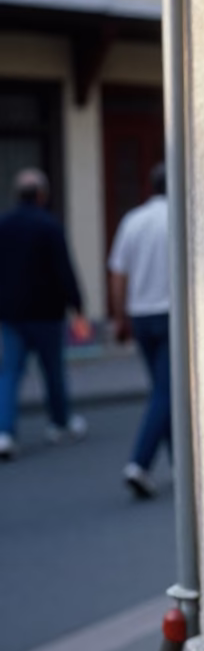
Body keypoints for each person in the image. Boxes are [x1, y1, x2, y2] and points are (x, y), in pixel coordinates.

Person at [0, 169, 90, 459]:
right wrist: (77, 306)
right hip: (47, 313)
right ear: (42, 195)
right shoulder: (49, 226)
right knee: (52, 371)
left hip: (12, 313)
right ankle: (59, 423)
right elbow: (64, 269)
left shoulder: (4, 225)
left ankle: (5, 433)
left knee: (10, 372)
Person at [108, 163, 171, 498]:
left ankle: (180, 462)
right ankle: (139, 463)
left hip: (141, 315)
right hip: (170, 313)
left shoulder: (132, 220)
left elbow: (118, 275)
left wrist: (120, 318)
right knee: (167, 390)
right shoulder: (178, 217)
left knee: (164, 389)